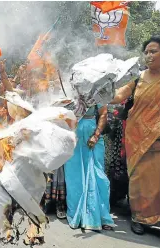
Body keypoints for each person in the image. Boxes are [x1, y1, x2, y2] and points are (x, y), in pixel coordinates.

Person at [110, 36, 160, 234]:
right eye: (146, 52)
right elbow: (119, 96)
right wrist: (96, 92)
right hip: (137, 138)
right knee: (139, 179)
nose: (149, 55)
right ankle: (139, 218)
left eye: (153, 51)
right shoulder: (138, 78)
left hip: (158, 139)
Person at [64, 104, 115, 230]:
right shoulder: (67, 88)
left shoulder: (96, 87)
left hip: (93, 137)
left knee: (98, 176)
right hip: (73, 137)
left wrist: (96, 135)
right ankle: (78, 215)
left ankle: (102, 216)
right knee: (74, 177)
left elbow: (103, 113)